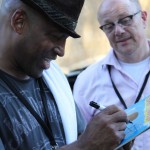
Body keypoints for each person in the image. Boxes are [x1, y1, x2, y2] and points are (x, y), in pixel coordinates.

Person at [0, 0, 129, 150]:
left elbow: (78, 138)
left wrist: (110, 142)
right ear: (19, 22)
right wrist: (85, 146)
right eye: (55, 36)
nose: (62, 51)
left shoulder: (53, 77)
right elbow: (83, 144)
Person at [74, 0, 150, 149]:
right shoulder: (86, 81)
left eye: (125, 20)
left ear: (143, 18)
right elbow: (82, 141)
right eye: (109, 26)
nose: (118, 31)